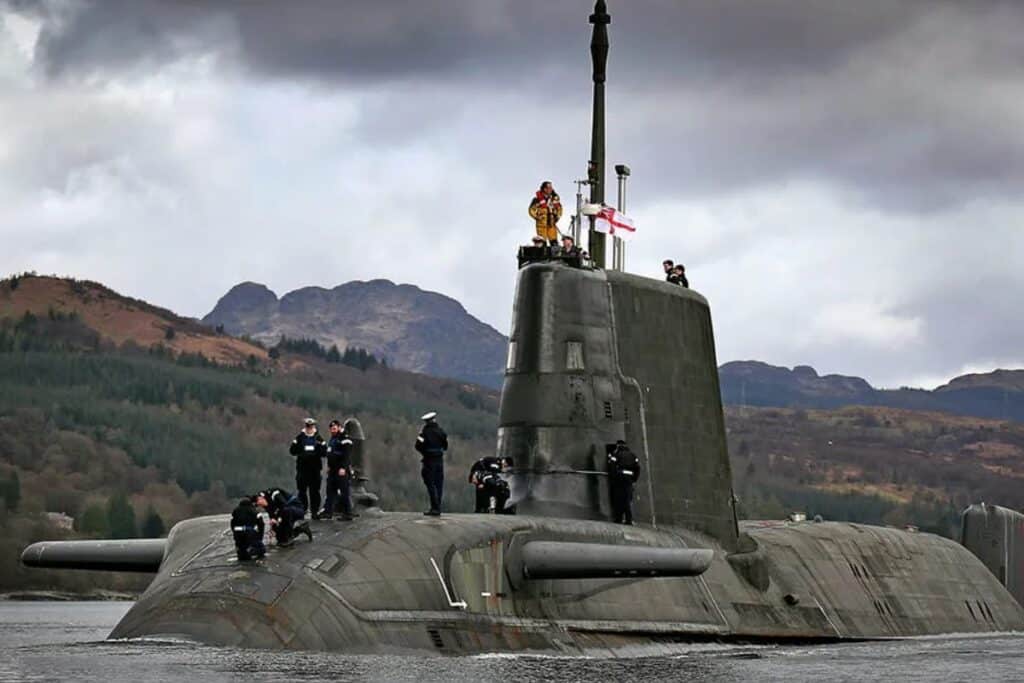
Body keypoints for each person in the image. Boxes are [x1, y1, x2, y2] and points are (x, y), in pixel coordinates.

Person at [289, 418, 326, 518]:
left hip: (315, 470)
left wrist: (317, 451)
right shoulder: (299, 438)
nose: (309, 428)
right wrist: (300, 450)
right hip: (302, 469)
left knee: (314, 492)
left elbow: (324, 452)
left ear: (314, 426)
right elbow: (292, 450)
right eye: (308, 426)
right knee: (302, 492)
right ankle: (303, 510)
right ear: (305, 426)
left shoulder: (319, 439)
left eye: (311, 426)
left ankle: (314, 512)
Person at [415, 411, 448, 516]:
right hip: (439, 461)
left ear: (426, 422)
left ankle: (435, 508)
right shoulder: (441, 432)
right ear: (434, 420)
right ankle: (438, 506)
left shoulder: (423, 433)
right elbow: (445, 446)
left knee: (430, 483)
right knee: (439, 484)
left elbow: (417, 445)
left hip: (429, 461)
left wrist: (425, 452)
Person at [323, 419, 356, 521]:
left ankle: (348, 513)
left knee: (344, 492)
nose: (332, 430)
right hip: (333, 470)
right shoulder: (333, 439)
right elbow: (330, 454)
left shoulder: (345, 438)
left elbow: (347, 455)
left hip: (341, 471)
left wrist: (343, 468)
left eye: (334, 428)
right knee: (330, 491)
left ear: (339, 427)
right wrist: (328, 466)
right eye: (331, 429)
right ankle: (328, 512)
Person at [606, 440, 641, 525]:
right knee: (628, 500)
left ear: (618, 446)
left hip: (619, 479)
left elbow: (612, 466)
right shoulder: (633, 455)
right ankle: (629, 520)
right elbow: (638, 468)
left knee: (619, 499)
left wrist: (613, 478)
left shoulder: (616, 455)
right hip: (629, 480)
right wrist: (634, 479)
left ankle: (619, 519)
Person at [230, 497, 265, 561]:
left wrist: (234, 532)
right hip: (249, 532)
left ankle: (241, 552)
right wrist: (260, 536)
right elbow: (261, 524)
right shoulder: (254, 510)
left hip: (238, 533)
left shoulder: (236, 511)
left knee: (241, 548)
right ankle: (252, 551)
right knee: (261, 549)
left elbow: (232, 522)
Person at [528, 181, 563, 246]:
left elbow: (560, 209)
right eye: (549, 187)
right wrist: (537, 217)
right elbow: (531, 210)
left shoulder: (554, 199)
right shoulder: (537, 199)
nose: (551, 189)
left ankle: (555, 254)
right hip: (541, 224)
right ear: (544, 189)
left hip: (551, 223)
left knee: (554, 242)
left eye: (551, 187)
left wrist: (558, 216)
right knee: (542, 242)